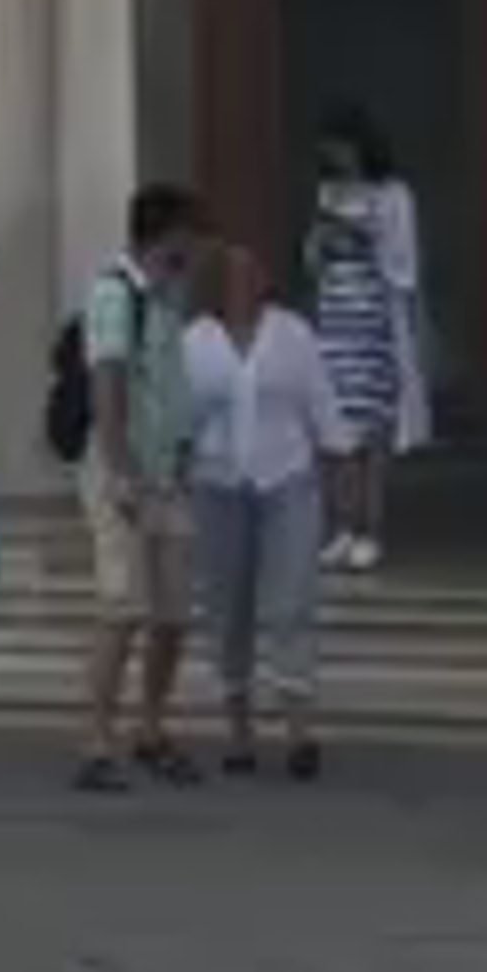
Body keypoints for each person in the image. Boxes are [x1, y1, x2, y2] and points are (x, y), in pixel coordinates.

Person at [183, 240, 346, 779]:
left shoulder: (292, 333)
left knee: (291, 600)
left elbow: (321, 404)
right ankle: (239, 731)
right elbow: (178, 419)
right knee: (228, 607)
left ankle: (300, 730)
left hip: (287, 480)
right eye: (234, 274)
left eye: (252, 271)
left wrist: (339, 472)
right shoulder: (196, 342)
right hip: (217, 484)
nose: (245, 282)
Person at [74, 185, 202, 792]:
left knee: (173, 611)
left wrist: (182, 455)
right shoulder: (113, 292)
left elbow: (171, 386)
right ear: (166, 233)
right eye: (188, 233)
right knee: (122, 606)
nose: (194, 246)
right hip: (122, 470)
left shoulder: (168, 300)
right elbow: (109, 382)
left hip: (168, 473)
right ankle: (96, 738)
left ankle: (150, 726)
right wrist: (120, 468)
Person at [309, 113, 427, 567]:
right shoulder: (328, 193)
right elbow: (314, 257)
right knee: (336, 433)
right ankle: (340, 525)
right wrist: (320, 240)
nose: (335, 157)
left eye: (341, 146)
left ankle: (370, 530)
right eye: (328, 149)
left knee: (372, 433)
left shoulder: (393, 194)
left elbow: (402, 262)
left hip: (373, 319)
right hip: (334, 317)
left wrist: (358, 233)